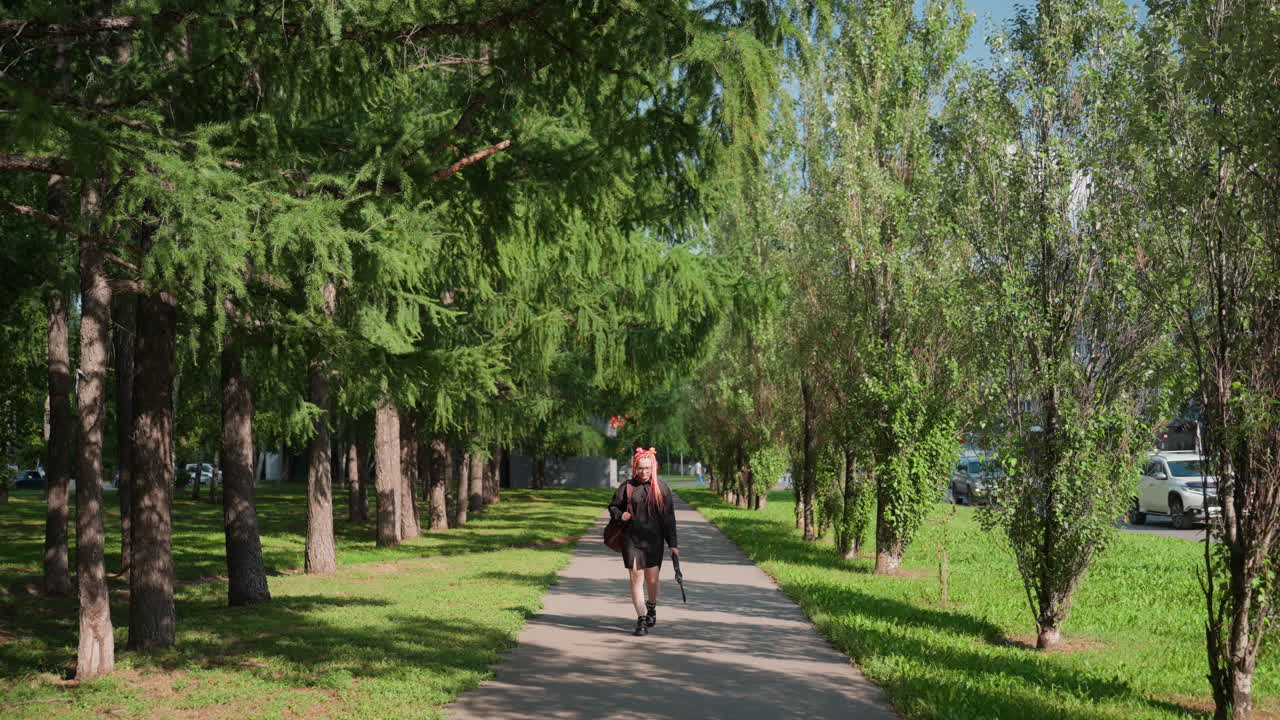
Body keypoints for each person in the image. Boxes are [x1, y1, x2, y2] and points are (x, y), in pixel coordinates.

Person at [608, 447, 678, 636]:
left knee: (652, 580)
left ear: (653, 468)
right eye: (640, 468)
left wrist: (673, 544)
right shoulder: (627, 487)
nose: (644, 472)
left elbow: (669, 519)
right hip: (631, 539)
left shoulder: (662, 489)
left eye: (647, 468)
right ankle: (641, 619)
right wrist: (619, 514)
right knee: (636, 578)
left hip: (654, 541)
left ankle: (652, 606)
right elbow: (613, 506)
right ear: (635, 468)